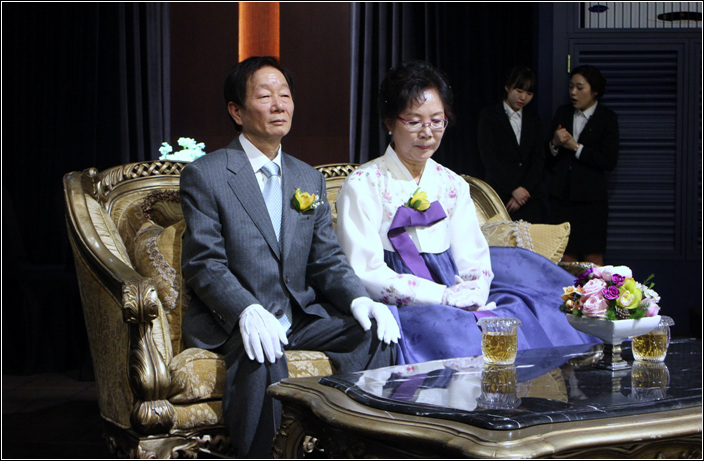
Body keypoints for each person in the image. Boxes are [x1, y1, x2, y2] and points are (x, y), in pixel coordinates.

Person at [179, 56, 399, 458]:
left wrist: (359, 299)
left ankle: (356, 450)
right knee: (262, 354)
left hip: (297, 317)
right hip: (235, 320)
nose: (279, 104)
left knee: (373, 335)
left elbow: (326, 259)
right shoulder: (206, 174)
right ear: (236, 111)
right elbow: (203, 262)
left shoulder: (306, 177)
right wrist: (245, 308)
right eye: (265, 96)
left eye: (285, 94)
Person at [335, 60, 599, 366]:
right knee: (455, 331)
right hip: (399, 303)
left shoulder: (452, 184)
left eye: (437, 121)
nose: (427, 133)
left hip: (456, 292)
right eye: (414, 122)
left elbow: (472, 255)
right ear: (389, 123)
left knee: (520, 317)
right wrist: (442, 297)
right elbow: (365, 271)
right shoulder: (363, 184)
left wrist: (474, 289)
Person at [546, 64, 619, 266]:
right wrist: (554, 143)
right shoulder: (563, 113)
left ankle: (596, 289)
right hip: (562, 198)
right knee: (565, 256)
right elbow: (547, 158)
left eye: (580, 88)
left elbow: (609, 160)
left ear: (594, 90)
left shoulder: (607, 118)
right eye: (571, 87)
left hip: (591, 201)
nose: (573, 92)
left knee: (592, 257)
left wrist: (576, 147)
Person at [478, 65, 545, 222]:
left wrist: (524, 190)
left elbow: (538, 158)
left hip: (529, 197)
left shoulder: (534, 119)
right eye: (519, 91)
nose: (523, 97)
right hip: (499, 193)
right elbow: (489, 157)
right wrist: (513, 189)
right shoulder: (489, 116)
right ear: (508, 87)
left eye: (529, 93)